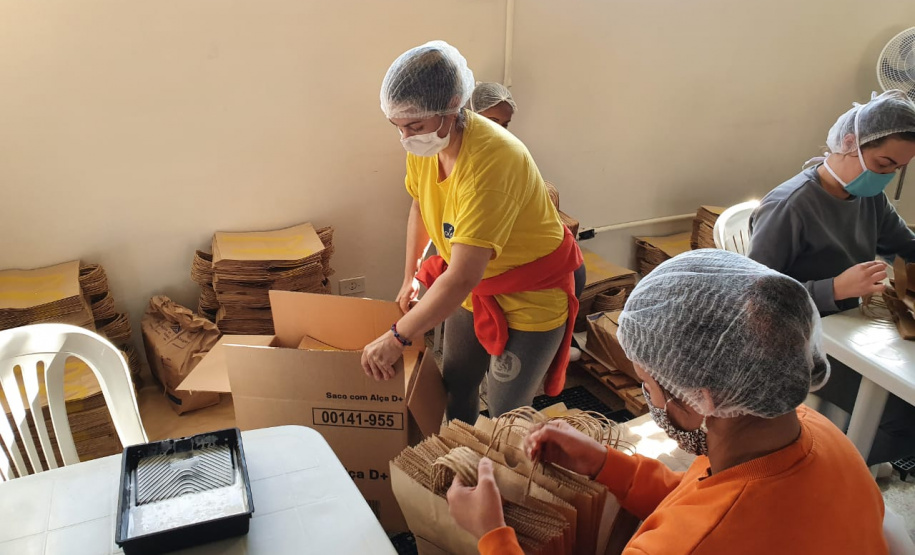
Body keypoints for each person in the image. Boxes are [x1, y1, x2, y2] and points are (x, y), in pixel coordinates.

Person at [447, 250, 888, 554]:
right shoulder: (813, 430)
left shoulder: (683, 547)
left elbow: (709, 521)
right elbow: (707, 497)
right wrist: (608, 465)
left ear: (703, 399)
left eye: (647, 383)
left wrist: (492, 534)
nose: (647, 398)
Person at [361, 41, 582, 424]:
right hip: (476, 285)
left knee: (505, 410)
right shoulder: (428, 146)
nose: (406, 137)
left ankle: (500, 478)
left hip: (531, 293)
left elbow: (462, 275)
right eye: (397, 126)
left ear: (452, 106)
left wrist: (397, 338)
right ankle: (462, 466)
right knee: (457, 385)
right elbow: (420, 204)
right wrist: (411, 276)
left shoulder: (490, 165)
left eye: (415, 126)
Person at [748, 89, 915, 465]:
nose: (886, 177)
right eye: (883, 163)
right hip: (798, 342)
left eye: (896, 169)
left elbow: (905, 246)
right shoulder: (789, 206)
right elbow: (758, 299)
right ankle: (822, 469)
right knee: (903, 418)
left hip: (850, 329)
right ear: (849, 143)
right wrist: (834, 289)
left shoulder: (869, 198)